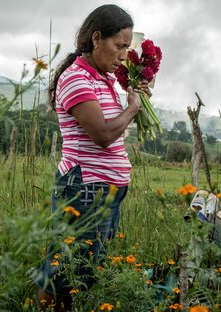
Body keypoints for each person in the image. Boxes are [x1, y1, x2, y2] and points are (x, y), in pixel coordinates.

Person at [33, 4, 151, 311]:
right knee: (66, 267)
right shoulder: (76, 79)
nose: (125, 55)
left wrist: (136, 99)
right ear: (97, 38)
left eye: (128, 47)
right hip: (85, 188)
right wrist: (133, 108)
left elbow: (116, 125)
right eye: (119, 46)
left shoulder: (105, 79)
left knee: (85, 267)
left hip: (105, 191)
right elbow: (102, 135)